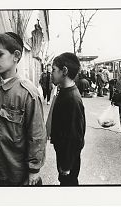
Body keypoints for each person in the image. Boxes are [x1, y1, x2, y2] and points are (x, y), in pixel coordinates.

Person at [0, 32, 47, 186]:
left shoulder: (27, 93)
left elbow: (37, 135)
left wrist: (33, 170)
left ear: (16, 56)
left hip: (15, 173)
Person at [50, 52, 86, 186]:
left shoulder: (72, 99)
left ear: (64, 71)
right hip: (65, 153)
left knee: (68, 184)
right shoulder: (64, 90)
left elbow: (75, 136)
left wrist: (66, 165)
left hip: (69, 158)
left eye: (54, 70)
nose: (51, 74)